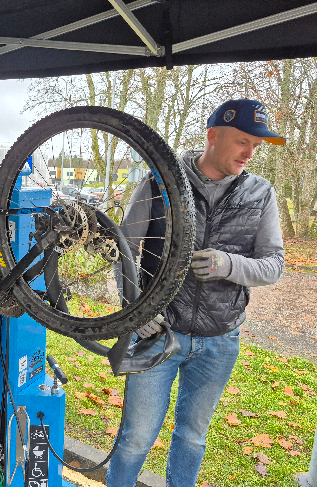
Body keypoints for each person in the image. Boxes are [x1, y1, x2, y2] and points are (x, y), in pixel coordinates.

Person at [106, 99, 286, 487]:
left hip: (220, 341)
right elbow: (122, 249)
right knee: (136, 439)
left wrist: (229, 264)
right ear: (213, 135)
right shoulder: (160, 182)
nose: (249, 153)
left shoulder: (260, 193)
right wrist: (135, 310)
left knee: (192, 438)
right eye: (242, 141)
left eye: (255, 145)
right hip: (158, 335)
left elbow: (274, 265)